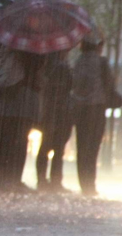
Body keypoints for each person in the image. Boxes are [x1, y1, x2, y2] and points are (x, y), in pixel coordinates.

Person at [0, 45, 46, 193]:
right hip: (21, 97)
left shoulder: (4, 44)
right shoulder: (29, 46)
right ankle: (12, 180)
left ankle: (4, 178)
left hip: (5, 95)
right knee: (18, 141)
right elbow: (35, 68)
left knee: (5, 139)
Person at [71, 30, 111, 196]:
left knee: (82, 146)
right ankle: (90, 185)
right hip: (96, 108)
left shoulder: (78, 61)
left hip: (80, 109)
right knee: (93, 147)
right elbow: (109, 86)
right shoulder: (102, 62)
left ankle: (84, 183)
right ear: (98, 46)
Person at [36, 51, 74, 192]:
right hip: (59, 112)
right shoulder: (61, 67)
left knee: (47, 146)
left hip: (51, 111)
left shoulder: (49, 66)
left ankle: (43, 179)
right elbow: (67, 87)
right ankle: (53, 181)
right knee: (56, 148)